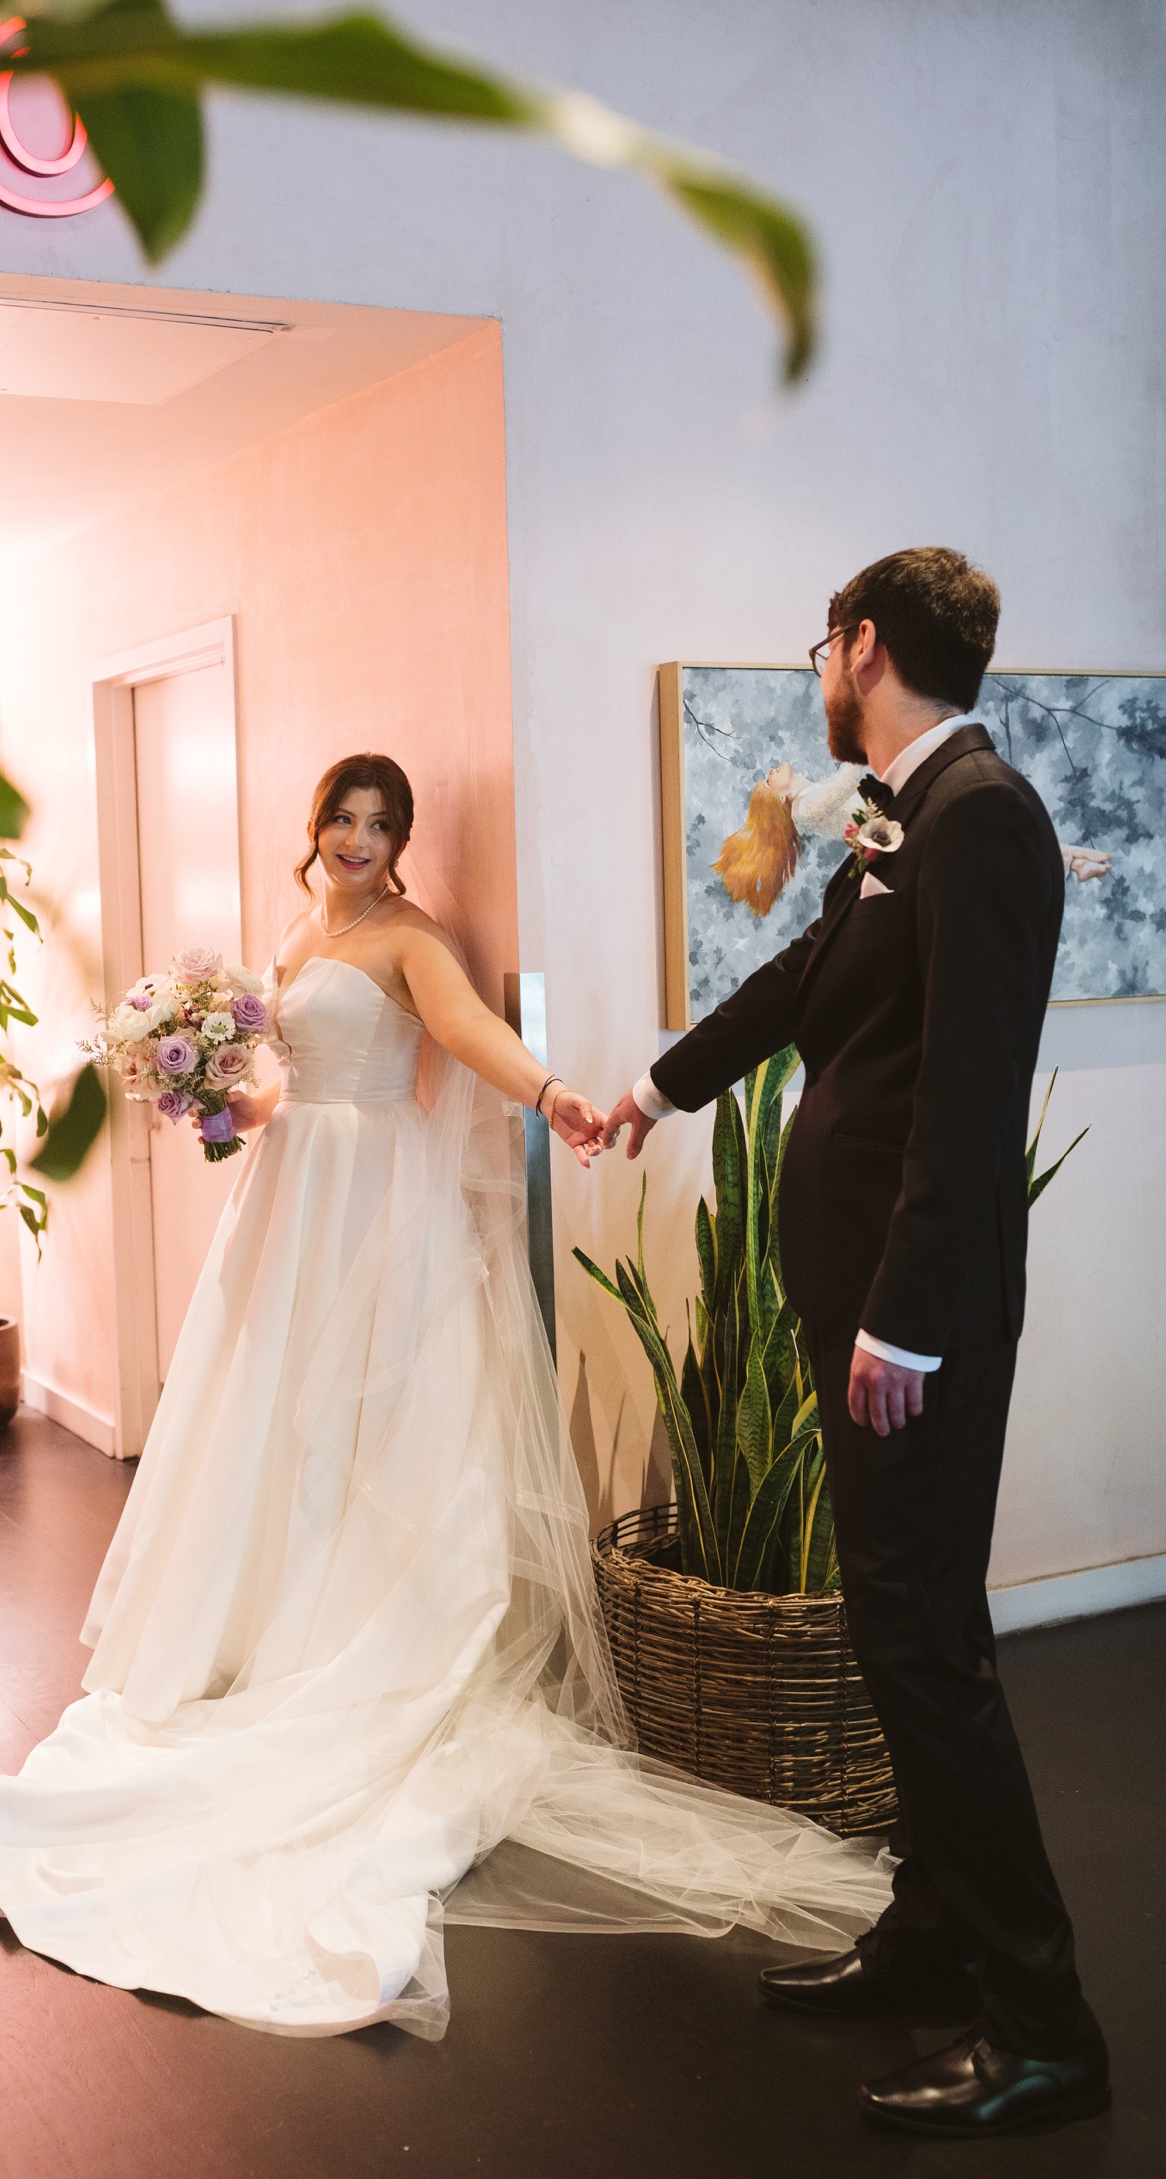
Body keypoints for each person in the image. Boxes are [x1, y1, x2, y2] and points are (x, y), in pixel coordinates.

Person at [0, 751, 891, 2037]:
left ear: (402, 838)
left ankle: (359, 1643)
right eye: (341, 817)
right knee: (276, 1427)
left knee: (372, 1431)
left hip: (374, 1207)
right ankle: (269, 1626)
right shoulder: (303, 927)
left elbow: (464, 1032)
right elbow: (281, 1073)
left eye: (381, 822)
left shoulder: (411, 936)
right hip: (293, 1195)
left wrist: (554, 1092)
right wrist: (224, 1100)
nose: (358, 837)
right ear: (315, 827)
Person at [604, 549, 1109, 2138]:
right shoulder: (907, 813)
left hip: (917, 1322)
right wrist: (659, 1088)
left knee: (922, 1640)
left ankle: (1044, 2023)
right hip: (869, 1301)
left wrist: (905, 1316)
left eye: (823, 644)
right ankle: (932, 1925)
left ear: (865, 645)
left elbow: (967, 1099)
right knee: (904, 1628)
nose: (818, 669)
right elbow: (808, 975)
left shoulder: (983, 818)